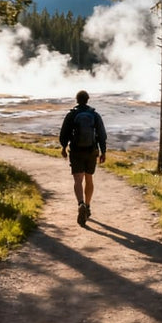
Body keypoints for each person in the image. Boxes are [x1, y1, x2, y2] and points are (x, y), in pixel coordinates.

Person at [59, 90, 107, 226]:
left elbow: (64, 134)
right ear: (87, 99)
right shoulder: (94, 115)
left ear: (77, 100)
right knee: (89, 178)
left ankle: (80, 204)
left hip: (76, 151)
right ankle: (88, 205)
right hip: (91, 151)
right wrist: (103, 151)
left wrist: (63, 147)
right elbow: (102, 135)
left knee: (78, 179)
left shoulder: (72, 114)